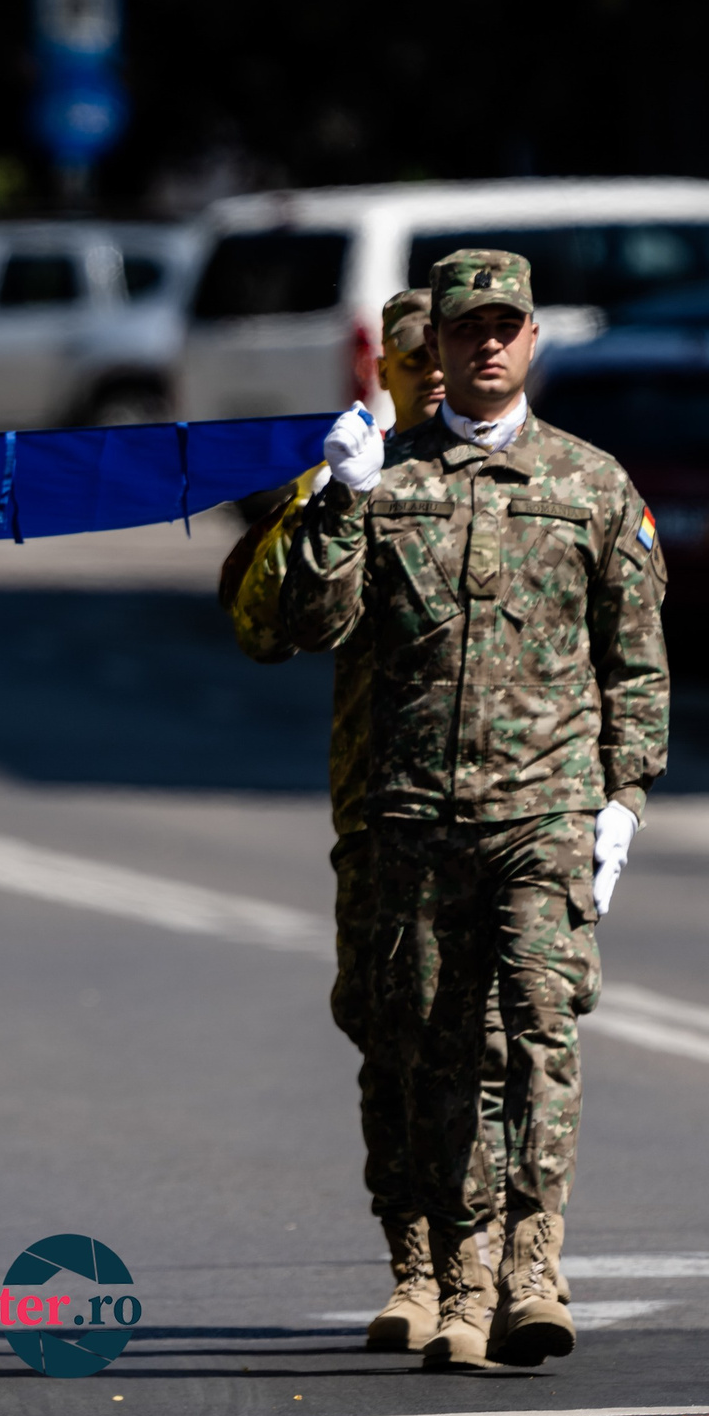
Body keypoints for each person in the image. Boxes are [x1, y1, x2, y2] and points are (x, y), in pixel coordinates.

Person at [285, 250, 670, 1370]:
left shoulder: (593, 484)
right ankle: (459, 1279)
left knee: (542, 1034)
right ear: (436, 350)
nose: (486, 344)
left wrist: (623, 801)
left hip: (544, 812)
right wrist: (340, 503)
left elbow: (633, 658)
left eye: (505, 325)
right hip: (415, 813)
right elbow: (315, 622)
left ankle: (534, 1262)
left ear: (533, 339)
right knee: (441, 1045)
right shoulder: (388, 478)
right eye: (465, 330)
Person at [219, 289, 498, 1351]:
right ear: (383, 366)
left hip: (511, 811)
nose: (435, 372)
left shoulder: (537, 475)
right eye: (415, 356)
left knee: (506, 1043)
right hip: (382, 811)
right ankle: (415, 1265)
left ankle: (505, 1263)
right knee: (394, 1041)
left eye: (452, 351)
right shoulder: (345, 475)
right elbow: (260, 626)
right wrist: (333, 497)